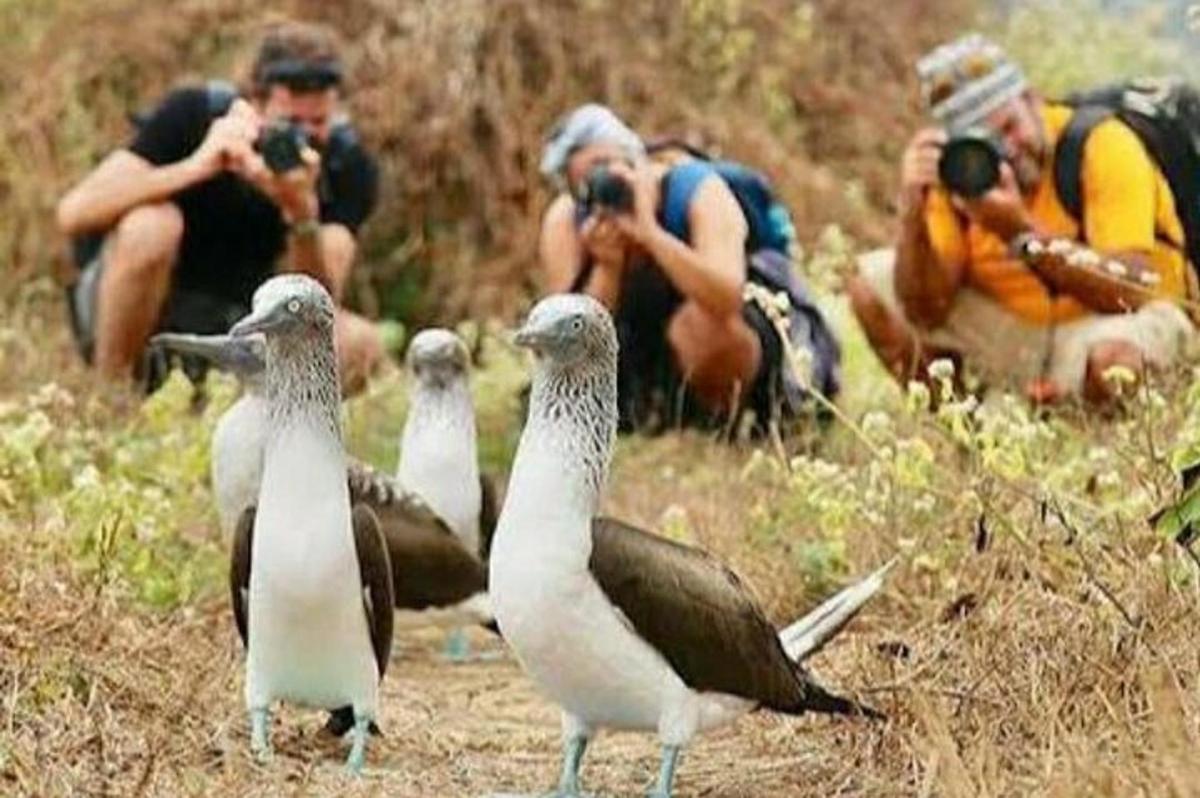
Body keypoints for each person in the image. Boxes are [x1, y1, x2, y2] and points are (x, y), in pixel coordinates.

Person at [848, 34, 1196, 405]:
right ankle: (970, 435)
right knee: (871, 286)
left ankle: (1099, 424)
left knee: (1115, 363)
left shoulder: (1102, 143)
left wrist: (1020, 235)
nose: (1007, 151)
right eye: (986, 144)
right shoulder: (958, 175)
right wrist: (912, 211)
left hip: (1121, 323)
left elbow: (1130, 290)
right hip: (1019, 333)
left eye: (1010, 128)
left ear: (1032, 99)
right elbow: (925, 312)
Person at [56, 20, 382, 392]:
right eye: (289, 124)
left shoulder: (344, 164)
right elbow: (74, 212)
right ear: (252, 105)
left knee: (358, 343)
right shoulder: (194, 116)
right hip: (142, 313)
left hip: (241, 328)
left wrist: (300, 212)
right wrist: (196, 166)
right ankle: (110, 397)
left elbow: (318, 305)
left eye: (318, 123)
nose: (302, 138)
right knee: (151, 225)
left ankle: (258, 428)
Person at [538, 103, 839, 435]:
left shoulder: (696, 189)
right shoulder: (569, 220)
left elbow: (726, 296)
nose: (608, 184)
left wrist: (652, 235)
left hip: (735, 342)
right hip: (646, 356)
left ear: (638, 158)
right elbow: (566, 351)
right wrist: (607, 267)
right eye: (588, 182)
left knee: (698, 327)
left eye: (610, 166)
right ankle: (657, 415)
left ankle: (729, 421)